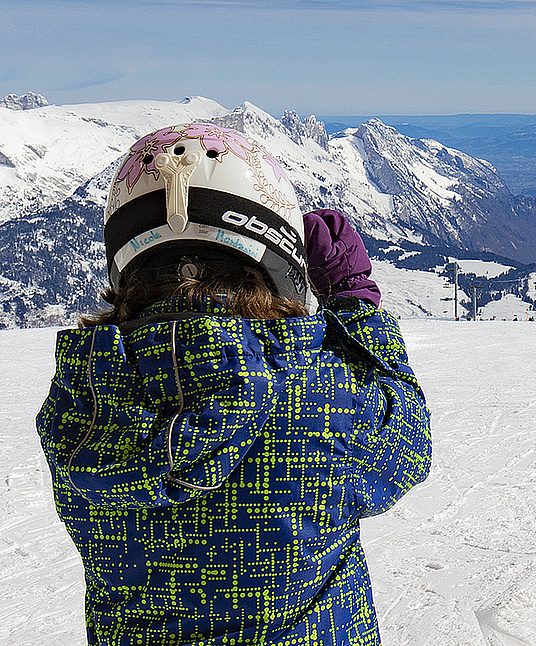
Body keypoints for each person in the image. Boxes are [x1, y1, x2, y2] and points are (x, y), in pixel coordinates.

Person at [37, 123, 430, 644]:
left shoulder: (82, 405)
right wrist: (357, 307)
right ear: (280, 261)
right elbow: (408, 444)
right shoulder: (315, 396)